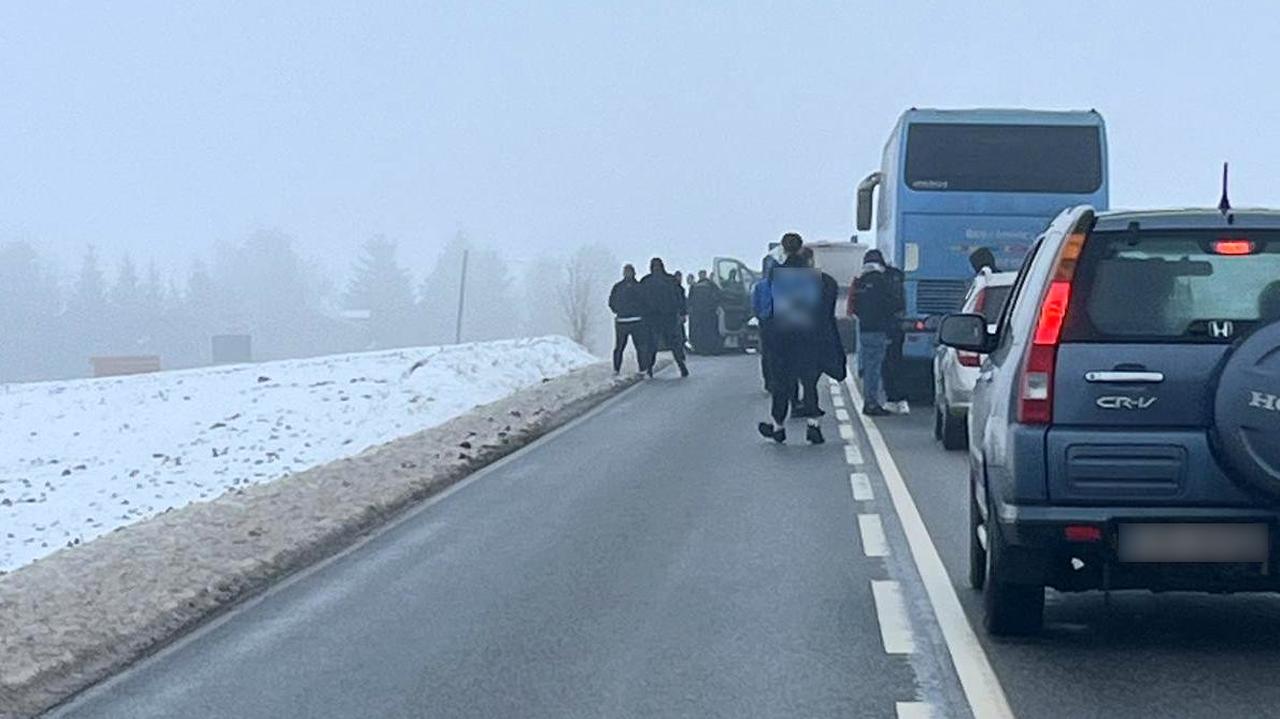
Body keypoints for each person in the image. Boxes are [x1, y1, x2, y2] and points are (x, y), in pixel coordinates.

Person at [755, 233, 827, 444]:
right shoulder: (813, 277)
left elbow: (767, 308)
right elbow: (819, 309)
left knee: (781, 383)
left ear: (783, 249)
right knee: (809, 383)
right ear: (801, 248)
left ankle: (778, 426)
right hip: (807, 336)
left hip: (783, 336)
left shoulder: (776, 275)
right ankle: (813, 425)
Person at [849, 249, 897, 416]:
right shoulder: (882, 281)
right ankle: (871, 403)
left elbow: (854, 307)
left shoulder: (860, 281)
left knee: (869, 367)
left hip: (864, 329)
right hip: (879, 329)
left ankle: (870, 401)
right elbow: (890, 305)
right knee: (874, 369)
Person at [639, 257, 690, 377]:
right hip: (668, 317)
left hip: (653, 318)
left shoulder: (646, 281)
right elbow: (679, 297)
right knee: (674, 344)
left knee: (652, 345)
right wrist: (682, 312)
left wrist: (642, 315)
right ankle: (681, 366)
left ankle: (649, 369)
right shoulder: (670, 280)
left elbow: (640, 300)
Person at [880, 255, 909, 414]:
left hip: (885, 326)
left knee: (886, 364)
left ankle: (892, 398)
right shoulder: (898, 278)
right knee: (897, 361)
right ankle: (902, 400)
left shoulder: (882, 279)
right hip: (898, 326)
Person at [608, 264, 648, 375]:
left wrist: (618, 311)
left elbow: (611, 302)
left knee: (619, 347)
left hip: (622, 321)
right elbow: (646, 302)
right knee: (640, 346)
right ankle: (643, 369)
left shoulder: (618, 287)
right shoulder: (639, 287)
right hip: (637, 320)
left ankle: (616, 369)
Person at [687, 269, 723, 354]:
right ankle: (710, 349)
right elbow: (718, 295)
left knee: (703, 332)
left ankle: (703, 349)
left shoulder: (696, 286)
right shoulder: (710, 285)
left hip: (701, 313)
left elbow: (690, 300)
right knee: (709, 331)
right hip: (708, 313)